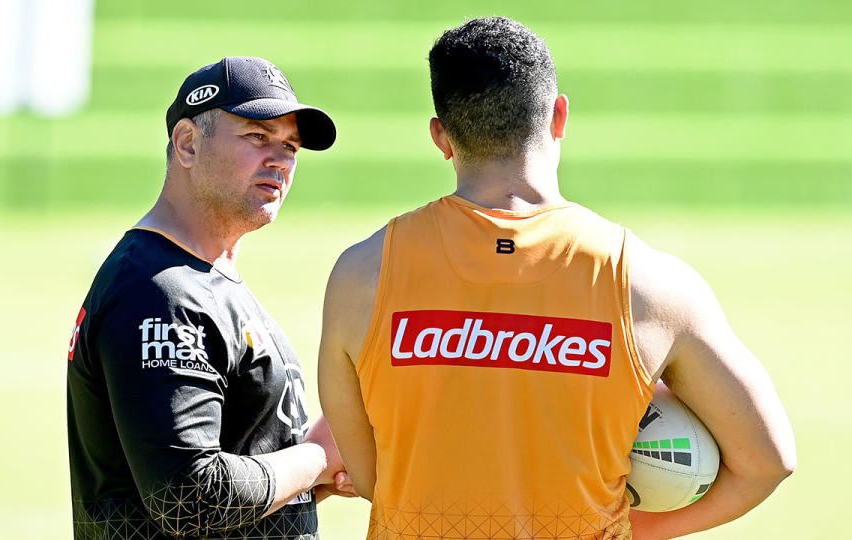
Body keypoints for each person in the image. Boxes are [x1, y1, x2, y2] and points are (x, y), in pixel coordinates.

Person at [318, 17, 795, 540]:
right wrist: (630, 530)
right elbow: (768, 461)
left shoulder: (362, 273)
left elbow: (371, 479)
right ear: (559, 115)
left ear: (440, 136)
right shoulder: (651, 285)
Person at [67, 56, 353, 540]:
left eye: (290, 146)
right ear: (187, 144)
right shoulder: (159, 291)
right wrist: (320, 455)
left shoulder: (204, 278)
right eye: (257, 137)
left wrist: (311, 479)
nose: (280, 159)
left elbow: (235, 466)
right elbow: (187, 500)